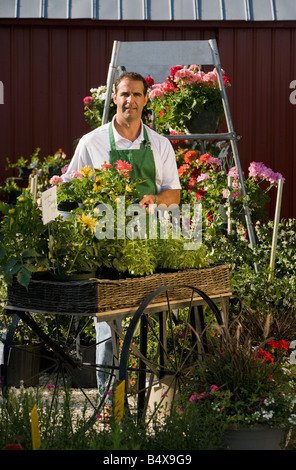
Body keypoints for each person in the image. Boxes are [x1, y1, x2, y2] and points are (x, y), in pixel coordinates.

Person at [62, 71, 181, 398]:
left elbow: (174, 194)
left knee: (152, 323)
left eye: (137, 94)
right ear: (114, 97)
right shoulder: (92, 143)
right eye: (124, 94)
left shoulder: (159, 145)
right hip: (106, 248)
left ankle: (154, 392)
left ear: (145, 99)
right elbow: (67, 192)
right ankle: (109, 402)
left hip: (150, 248)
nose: (130, 100)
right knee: (108, 325)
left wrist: (155, 199)